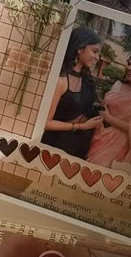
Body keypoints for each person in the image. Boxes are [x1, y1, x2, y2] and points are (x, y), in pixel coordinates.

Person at [87, 52, 131, 172]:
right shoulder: (118, 84)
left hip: (120, 147)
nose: (129, 68)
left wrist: (109, 119)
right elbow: (106, 106)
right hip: (98, 135)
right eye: (128, 64)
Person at [41, 26, 103, 158]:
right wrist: (81, 126)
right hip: (57, 145)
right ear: (80, 48)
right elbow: (46, 123)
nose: (97, 57)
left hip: (79, 145)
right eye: (95, 51)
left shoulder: (88, 82)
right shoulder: (61, 80)